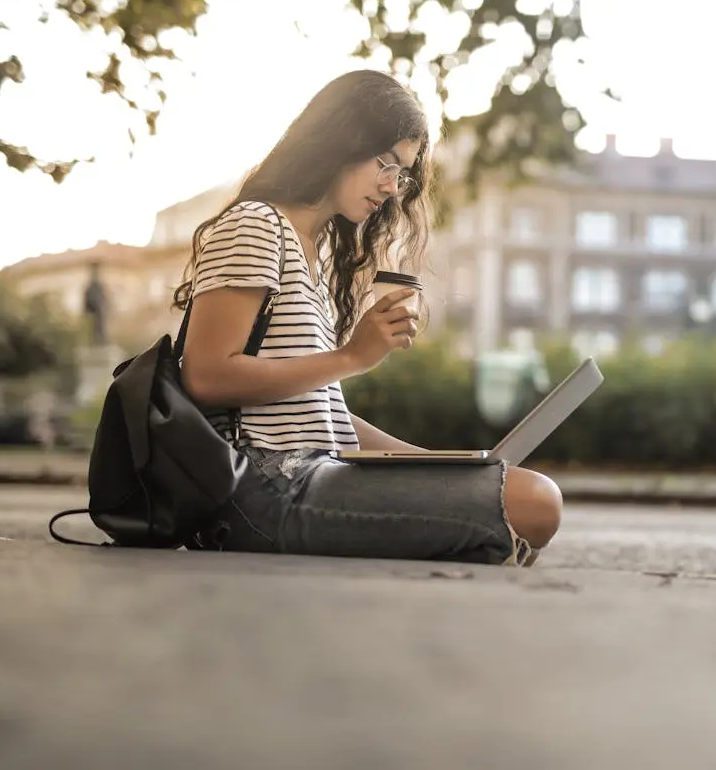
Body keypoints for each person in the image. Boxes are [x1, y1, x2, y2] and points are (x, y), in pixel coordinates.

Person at [172, 70, 561, 566]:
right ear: (339, 140)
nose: (393, 187)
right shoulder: (255, 224)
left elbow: (316, 409)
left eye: (403, 174)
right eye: (387, 164)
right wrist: (352, 356)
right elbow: (206, 376)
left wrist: (440, 465)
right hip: (259, 489)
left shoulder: (314, 251)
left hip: (307, 473)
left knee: (521, 493)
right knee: (534, 502)